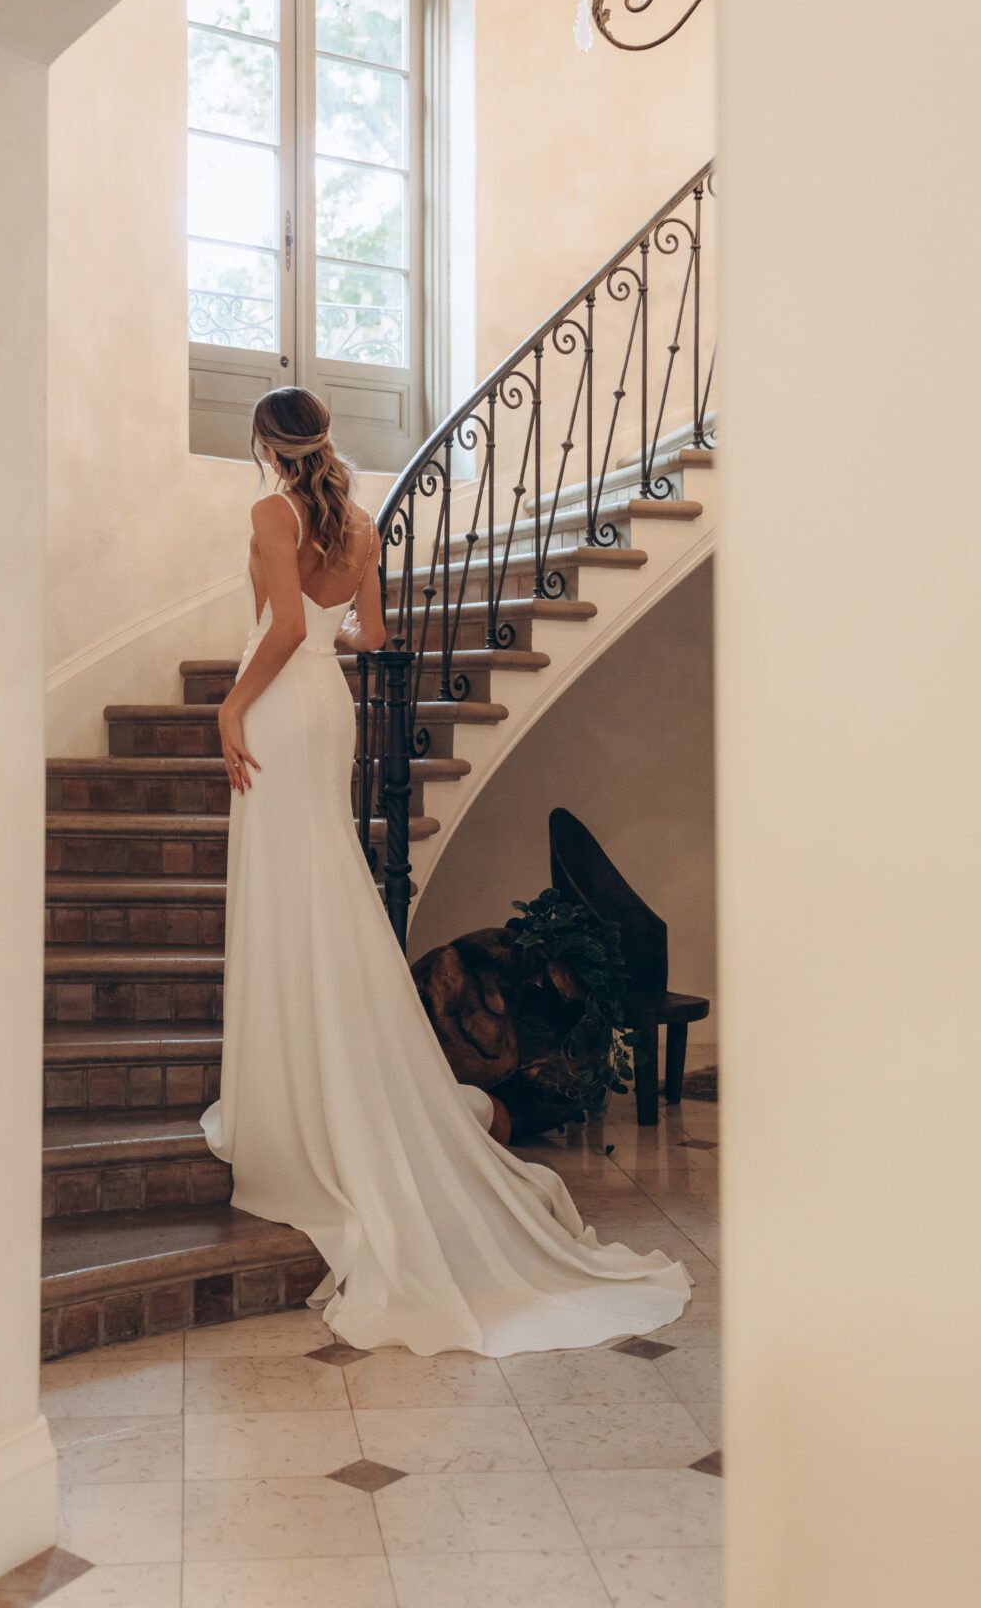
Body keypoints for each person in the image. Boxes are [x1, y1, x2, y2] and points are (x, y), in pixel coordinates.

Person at [199, 386, 691, 1356]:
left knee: (287, 896)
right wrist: (320, 647)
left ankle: (292, 1105)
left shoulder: (270, 511)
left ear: (264, 440)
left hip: (279, 704)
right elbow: (368, 638)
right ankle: (332, 1083)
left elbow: (285, 628)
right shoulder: (359, 523)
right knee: (324, 888)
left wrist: (229, 705)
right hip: (326, 709)